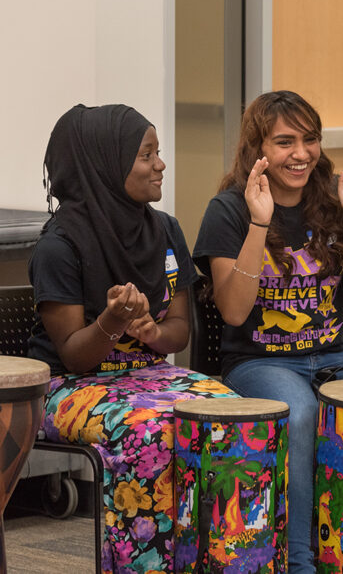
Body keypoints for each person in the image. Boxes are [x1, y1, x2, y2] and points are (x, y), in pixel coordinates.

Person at [192, 90, 343, 573]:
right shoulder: (228, 209)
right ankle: (301, 560)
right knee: (302, 412)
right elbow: (233, 310)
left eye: (310, 140)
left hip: (335, 356)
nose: (302, 154)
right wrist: (258, 224)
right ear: (258, 149)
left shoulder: (333, 199)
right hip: (260, 361)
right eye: (285, 142)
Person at [27, 104, 238, 574]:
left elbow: (180, 329)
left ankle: (222, 562)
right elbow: (74, 357)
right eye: (146, 155)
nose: (160, 164)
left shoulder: (164, 230)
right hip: (70, 387)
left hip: (149, 377)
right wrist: (111, 323)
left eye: (157, 152)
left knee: (230, 412)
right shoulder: (59, 246)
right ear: (106, 164)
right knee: (149, 431)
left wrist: (152, 332)